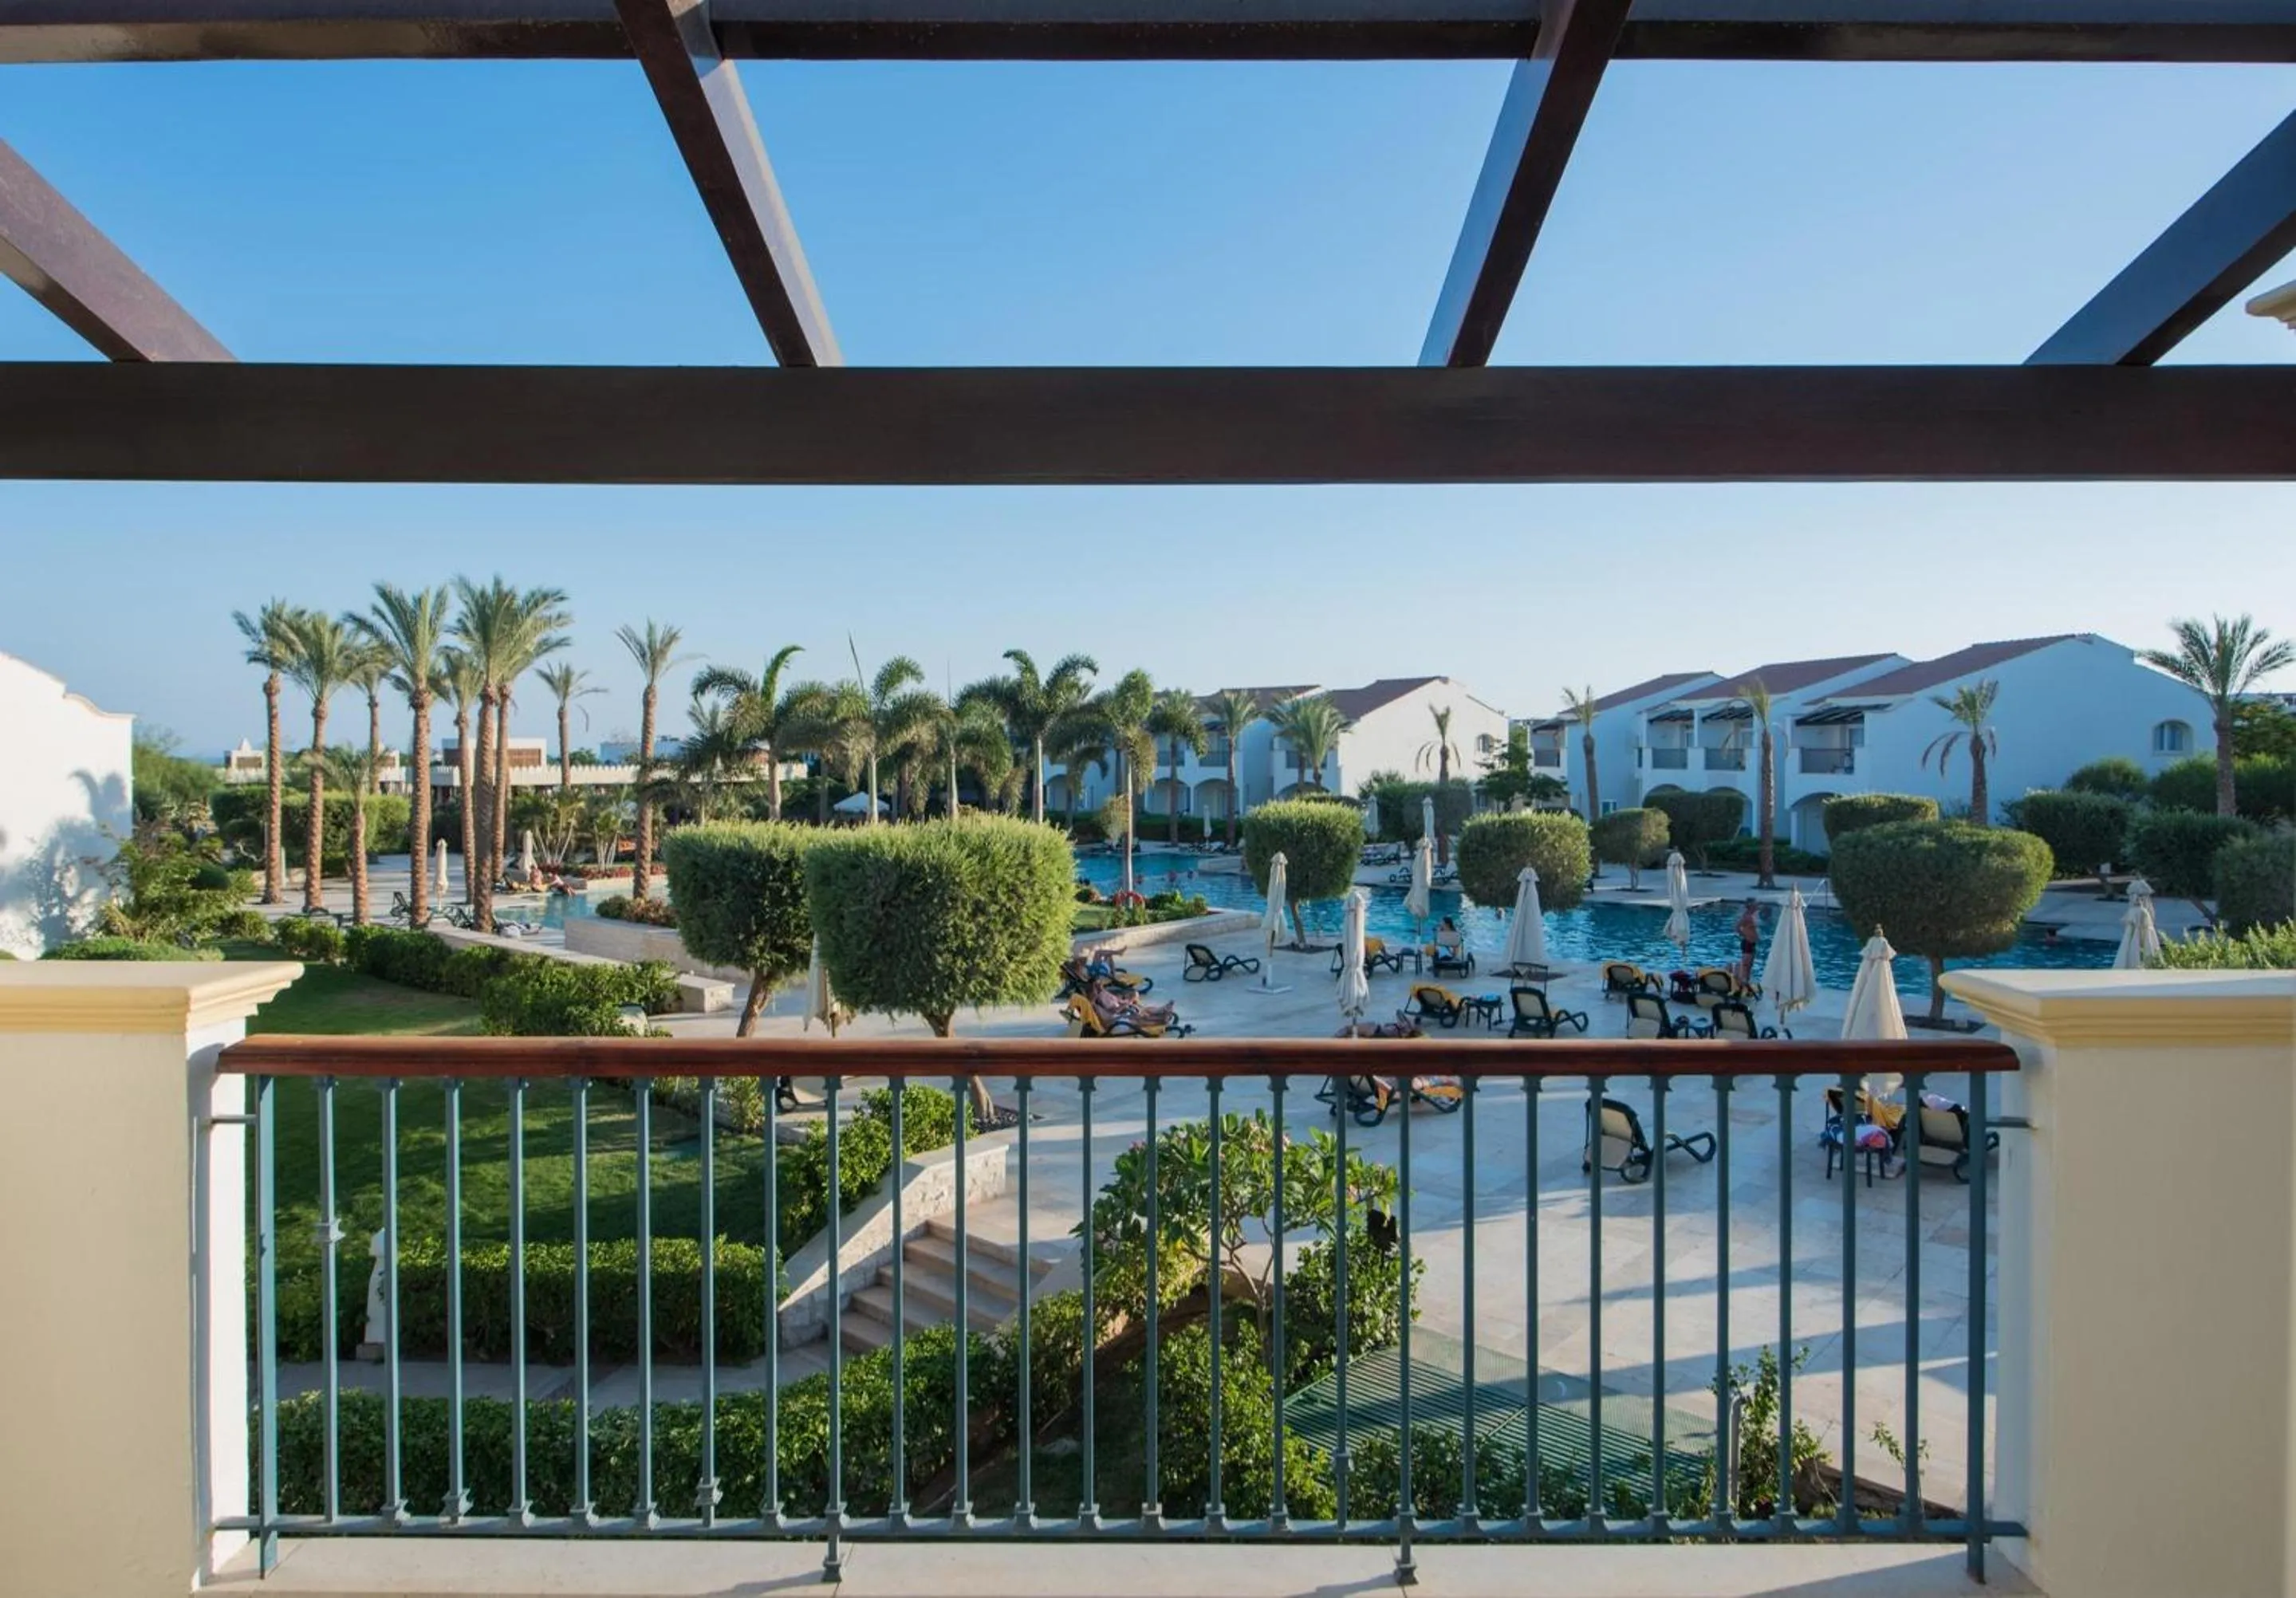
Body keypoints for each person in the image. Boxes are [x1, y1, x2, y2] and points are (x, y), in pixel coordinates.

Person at [1735, 898, 1763, 988]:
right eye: (1755, 905)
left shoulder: (1752, 916)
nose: (1757, 906)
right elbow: (1737, 927)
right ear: (1751, 906)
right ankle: (1743, 982)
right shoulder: (1747, 916)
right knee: (1746, 965)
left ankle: (1746, 982)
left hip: (1751, 943)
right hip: (1748, 943)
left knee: (1750, 965)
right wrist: (1746, 935)